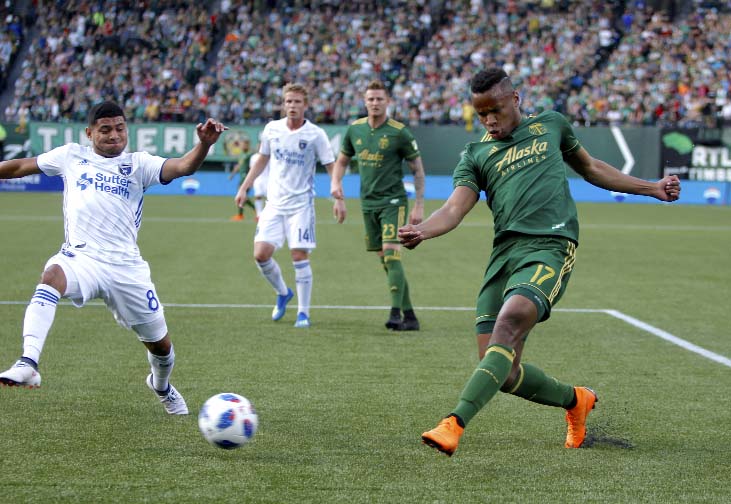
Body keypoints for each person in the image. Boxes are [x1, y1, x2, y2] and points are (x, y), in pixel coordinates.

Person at [398, 68, 681, 456]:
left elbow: (592, 167)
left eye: (495, 110)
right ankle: (575, 401)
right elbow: (454, 207)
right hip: (503, 257)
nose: (489, 120)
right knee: (503, 371)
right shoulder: (476, 153)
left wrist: (651, 187)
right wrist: (423, 230)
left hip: (550, 246)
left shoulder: (551, 126)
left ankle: (454, 423)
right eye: (481, 114)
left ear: (515, 99)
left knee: (509, 321)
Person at [0, 101, 227, 416]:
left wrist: (203, 144)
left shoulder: (139, 164)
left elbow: (183, 167)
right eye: (105, 130)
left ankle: (161, 385)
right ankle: (28, 362)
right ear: (89, 133)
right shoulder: (71, 156)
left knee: (161, 346)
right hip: (82, 258)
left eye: (120, 128)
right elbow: (19, 167)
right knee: (52, 275)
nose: (114, 136)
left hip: (126, 269)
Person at [235, 83, 344, 328]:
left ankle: (303, 313)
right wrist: (244, 187)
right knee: (260, 255)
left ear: (305, 105)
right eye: (288, 102)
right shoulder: (272, 129)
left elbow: (330, 165)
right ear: (283, 104)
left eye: (297, 102)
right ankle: (283, 292)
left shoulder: (316, 134)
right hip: (274, 205)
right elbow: (262, 160)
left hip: (301, 206)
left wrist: (338, 197)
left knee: (298, 254)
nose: (292, 106)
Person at [331, 80, 425, 331]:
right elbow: (341, 161)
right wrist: (335, 183)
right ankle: (411, 316)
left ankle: (395, 314)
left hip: (393, 202)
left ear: (388, 102)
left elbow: (417, 170)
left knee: (392, 254)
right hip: (368, 203)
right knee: (386, 259)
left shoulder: (399, 132)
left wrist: (418, 205)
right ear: (365, 102)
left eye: (379, 99)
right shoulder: (355, 130)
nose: (374, 103)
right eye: (370, 99)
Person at [227, 134, 256, 221]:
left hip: (246, 178)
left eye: (244, 144)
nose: (242, 146)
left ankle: (255, 211)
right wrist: (232, 175)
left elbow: (254, 165)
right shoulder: (242, 154)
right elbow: (238, 165)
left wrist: (252, 180)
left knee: (241, 196)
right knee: (242, 196)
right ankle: (242, 214)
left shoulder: (250, 155)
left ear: (247, 145)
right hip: (241, 177)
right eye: (242, 144)